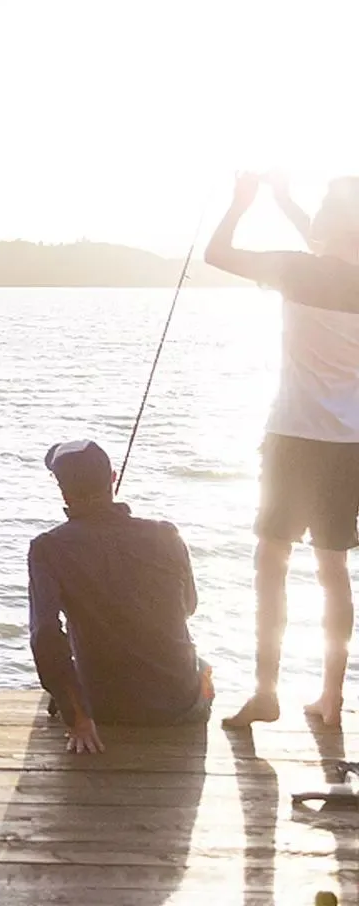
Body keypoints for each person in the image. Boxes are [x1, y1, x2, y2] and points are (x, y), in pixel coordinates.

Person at [205, 172, 359, 728]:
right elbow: (332, 250)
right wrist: (291, 203)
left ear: (324, 225)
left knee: (272, 561)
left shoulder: (298, 269)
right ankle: (332, 699)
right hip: (350, 445)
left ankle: (267, 690)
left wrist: (240, 202)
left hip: (294, 435)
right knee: (333, 569)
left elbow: (217, 253)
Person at [28, 440, 213, 754]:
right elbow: (188, 607)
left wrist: (77, 716)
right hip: (180, 707)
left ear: (63, 492)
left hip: (101, 710)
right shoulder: (167, 534)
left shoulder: (47, 548)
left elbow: (45, 635)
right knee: (202, 664)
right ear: (113, 478)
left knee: (62, 680)